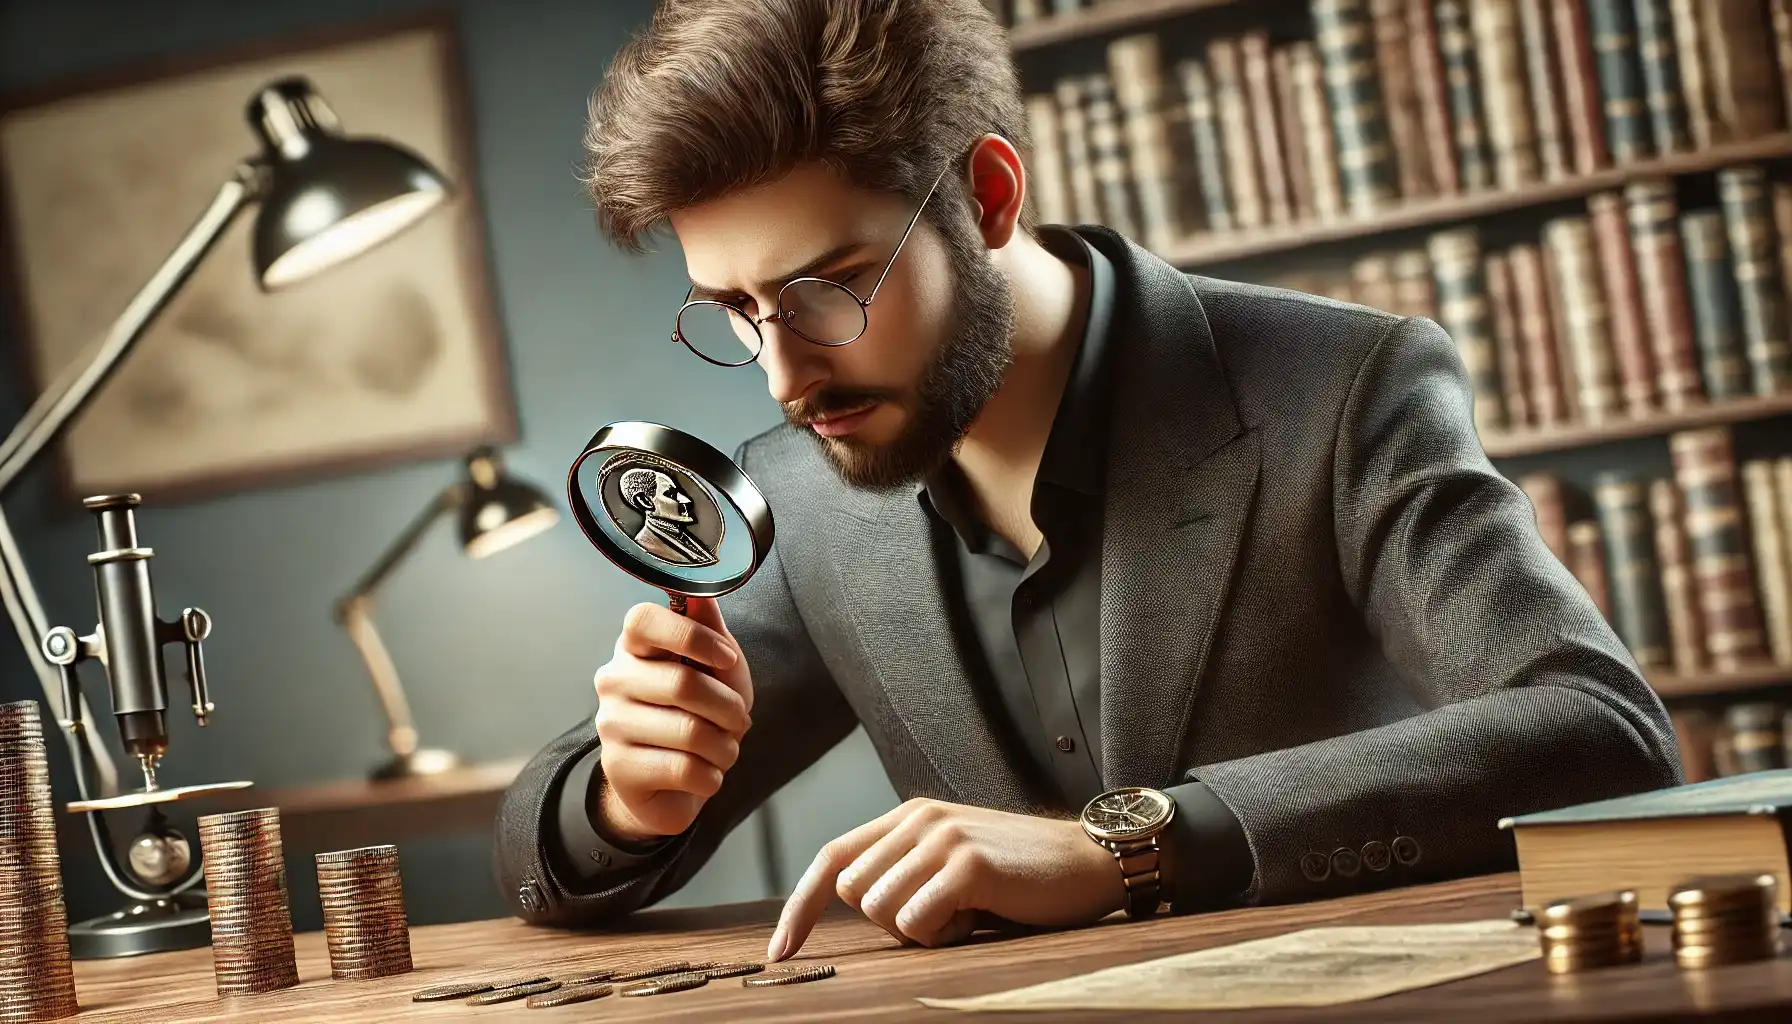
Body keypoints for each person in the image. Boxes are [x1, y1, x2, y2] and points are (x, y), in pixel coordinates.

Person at [494, 0, 1682, 963]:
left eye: (829, 286)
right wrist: (627, 800)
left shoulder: (1343, 387)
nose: (782, 375)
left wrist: (1134, 844)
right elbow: (540, 840)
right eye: (736, 313)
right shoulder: (799, 497)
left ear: (988, 196)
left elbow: (1603, 732)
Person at [618, 466, 716, 566]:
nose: (686, 500)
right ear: (645, 502)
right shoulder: (645, 544)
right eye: (670, 494)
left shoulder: (681, 535)